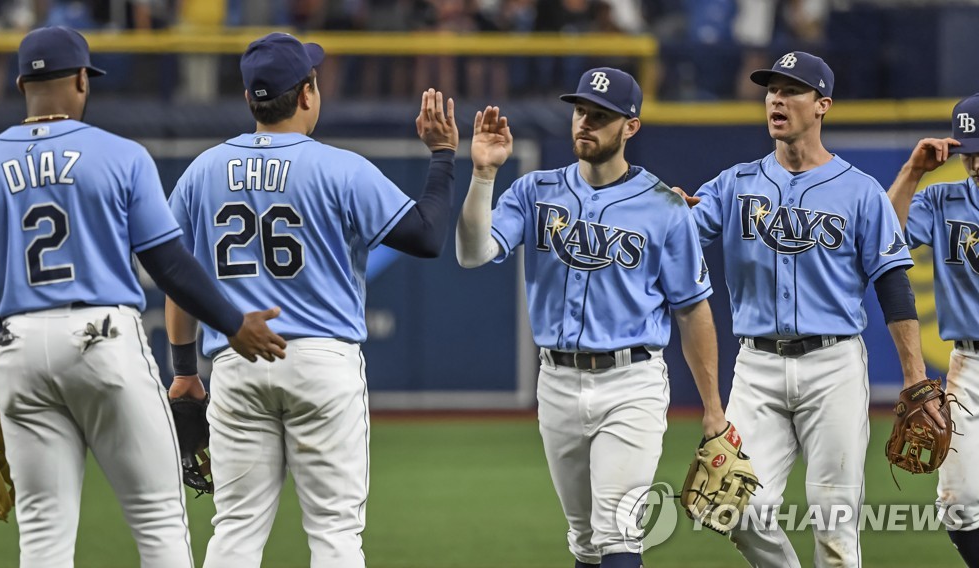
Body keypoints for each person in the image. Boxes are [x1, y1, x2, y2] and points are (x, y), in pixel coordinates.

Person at [0, 26, 287, 567]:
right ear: (83, 80)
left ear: (20, 85)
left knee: (41, 535)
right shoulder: (121, 156)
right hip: (101, 340)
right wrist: (233, 322)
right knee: (157, 518)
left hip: (16, 351)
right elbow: (170, 264)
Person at [163, 32, 459, 568]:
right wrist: (442, 156)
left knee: (234, 529)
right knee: (335, 533)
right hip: (323, 362)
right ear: (305, 95)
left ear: (252, 98)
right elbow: (426, 236)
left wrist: (184, 371)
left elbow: (177, 277)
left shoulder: (201, 171)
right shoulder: (339, 167)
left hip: (237, 361)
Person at [457, 67, 731, 568]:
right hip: (557, 382)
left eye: (601, 116)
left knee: (617, 528)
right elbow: (473, 253)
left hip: (633, 382)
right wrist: (483, 176)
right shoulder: (534, 191)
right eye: (581, 111)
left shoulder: (665, 207)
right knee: (584, 539)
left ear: (631, 126)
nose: (585, 123)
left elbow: (693, 310)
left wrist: (713, 410)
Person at [683, 51, 941, 567]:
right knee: (731, 506)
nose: (776, 98)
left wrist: (914, 376)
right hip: (756, 368)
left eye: (792, 90)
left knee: (836, 531)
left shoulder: (862, 192)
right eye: (771, 89)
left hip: (834, 367)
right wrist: (663, 211)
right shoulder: (735, 184)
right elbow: (679, 231)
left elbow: (893, 286)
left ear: (822, 105)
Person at [885, 93, 979, 568]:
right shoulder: (945, 198)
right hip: (972, 364)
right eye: (971, 152)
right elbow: (883, 239)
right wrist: (913, 172)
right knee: (961, 503)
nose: (977, 163)